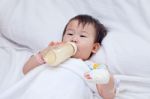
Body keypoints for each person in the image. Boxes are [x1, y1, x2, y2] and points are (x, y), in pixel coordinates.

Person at [23, 14, 116, 99]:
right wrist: (44, 53)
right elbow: (26, 70)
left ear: (94, 47)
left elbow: (108, 95)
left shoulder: (92, 67)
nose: (74, 39)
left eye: (82, 36)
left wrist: (106, 78)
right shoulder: (50, 57)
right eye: (70, 34)